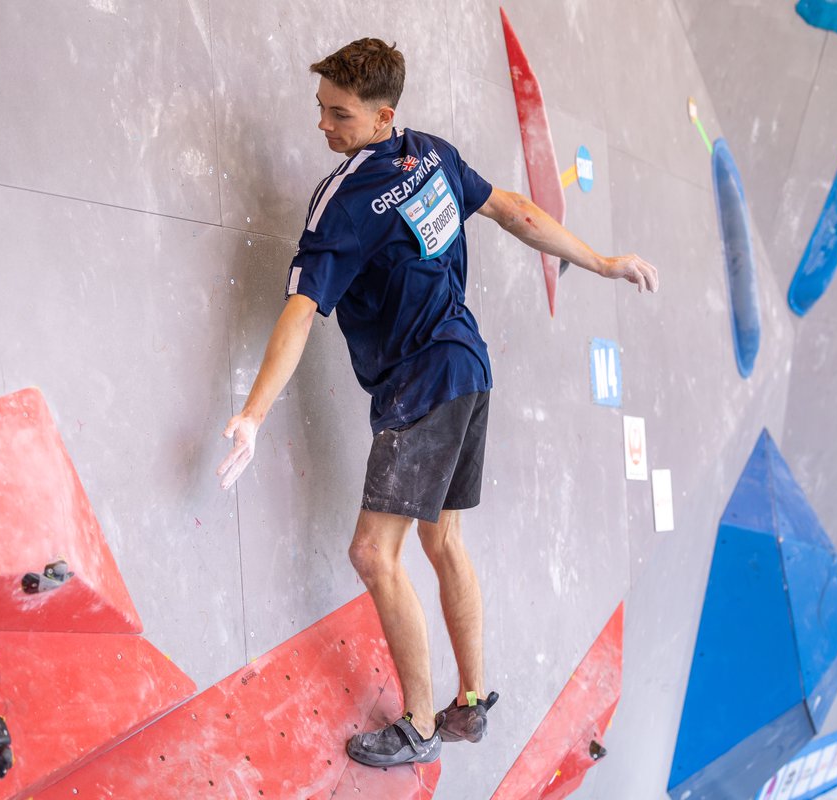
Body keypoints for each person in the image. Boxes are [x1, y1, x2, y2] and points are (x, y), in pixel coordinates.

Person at [216, 38, 658, 768]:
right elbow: (514, 210)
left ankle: (420, 726)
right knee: (442, 541)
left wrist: (254, 413)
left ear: (383, 113)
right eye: (321, 109)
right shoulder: (432, 155)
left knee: (371, 551)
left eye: (339, 115)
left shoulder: (345, 203)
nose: (322, 126)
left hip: (422, 384)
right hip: (468, 368)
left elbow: (301, 310)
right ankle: (472, 703)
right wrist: (603, 263)